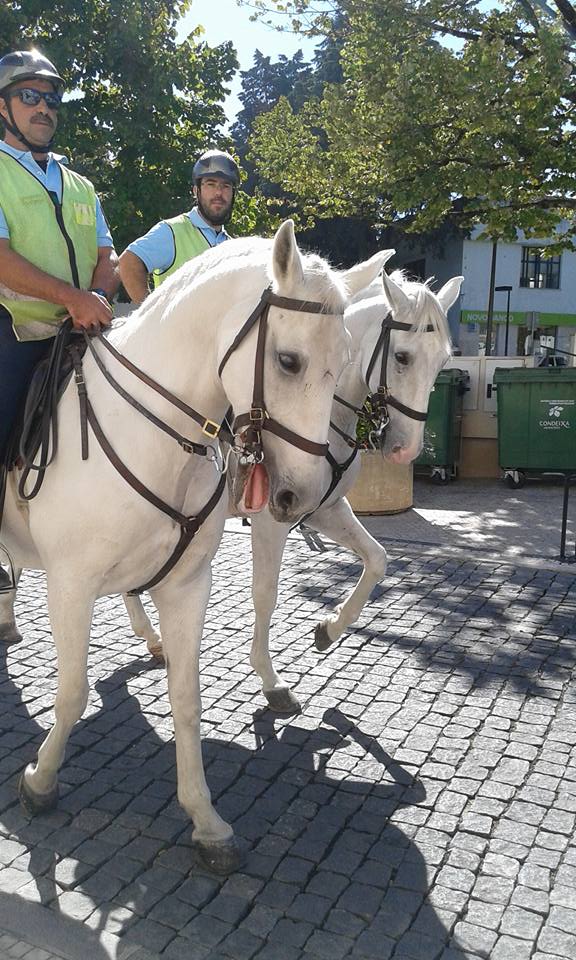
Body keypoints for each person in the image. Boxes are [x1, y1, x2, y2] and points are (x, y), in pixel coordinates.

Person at [0, 49, 119, 467]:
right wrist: (73, 298)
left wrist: (97, 297)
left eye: (51, 99)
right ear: (2, 106)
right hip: (17, 332)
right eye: (29, 96)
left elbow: (108, 255)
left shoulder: (81, 185)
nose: (43, 108)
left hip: (84, 329)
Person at [119, 149, 239, 303]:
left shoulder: (233, 247)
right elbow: (128, 262)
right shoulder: (172, 231)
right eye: (211, 184)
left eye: (226, 186)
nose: (218, 193)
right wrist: (151, 312)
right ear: (196, 191)